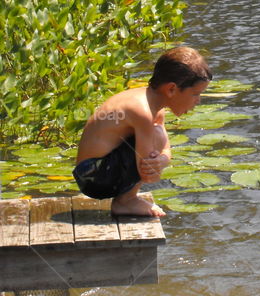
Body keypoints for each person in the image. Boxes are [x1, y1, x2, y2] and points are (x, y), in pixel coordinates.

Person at [73, 46, 212, 217]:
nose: (198, 101)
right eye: (195, 94)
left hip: (97, 171)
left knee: (158, 135)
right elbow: (147, 173)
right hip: (94, 177)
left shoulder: (154, 106)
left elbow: (165, 149)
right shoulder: (142, 112)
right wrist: (156, 164)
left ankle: (127, 198)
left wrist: (162, 159)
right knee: (157, 134)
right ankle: (126, 202)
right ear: (171, 89)